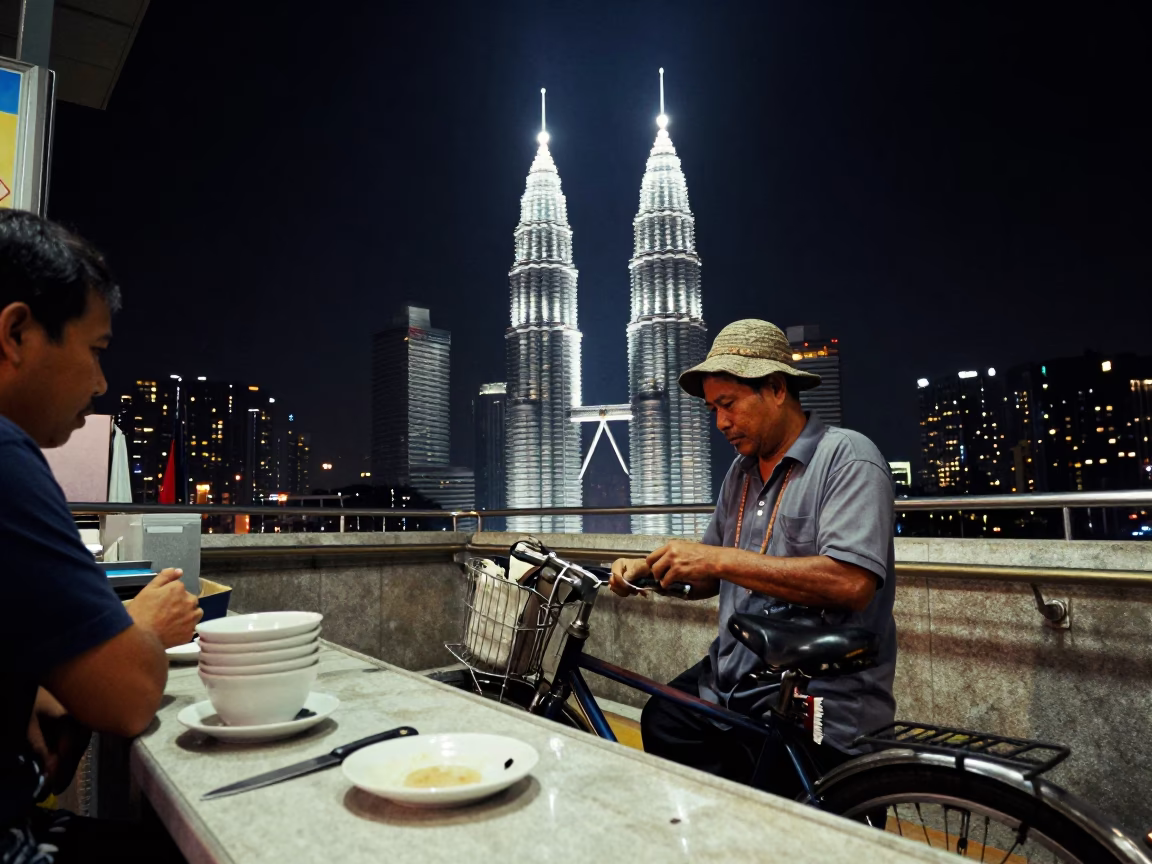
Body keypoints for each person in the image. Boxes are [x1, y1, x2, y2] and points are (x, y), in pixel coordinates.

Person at [609, 319, 897, 798]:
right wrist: (653, 570)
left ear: (777, 389)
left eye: (729, 404)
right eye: (713, 409)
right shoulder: (740, 475)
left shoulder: (847, 457)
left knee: (796, 810)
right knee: (664, 718)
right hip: (733, 676)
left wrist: (719, 560)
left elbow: (851, 583)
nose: (721, 422)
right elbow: (707, 577)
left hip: (816, 691)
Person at [0, 210, 201, 863]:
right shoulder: (5, 456)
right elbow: (129, 695)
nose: (100, 383)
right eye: (95, 351)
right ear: (16, 333)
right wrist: (143, 623)